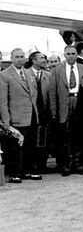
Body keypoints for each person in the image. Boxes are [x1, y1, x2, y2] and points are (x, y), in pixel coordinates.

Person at [49, 45, 83, 177]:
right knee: (64, 136)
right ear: (64, 55)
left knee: (79, 134)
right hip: (64, 105)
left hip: (80, 103)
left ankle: (78, 164)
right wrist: (54, 110)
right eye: (68, 54)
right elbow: (52, 92)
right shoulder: (57, 70)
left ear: (77, 54)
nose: (71, 56)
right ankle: (66, 165)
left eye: (73, 53)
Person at [0, 48, 40, 183]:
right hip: (15, 118)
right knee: (14, 148)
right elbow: (3, 100)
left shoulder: (29, 73)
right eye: (17, 56)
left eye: (22, 56)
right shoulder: (5, 75)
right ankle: (14, 173)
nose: (20, 59)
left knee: (30, 145)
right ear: (11, 58)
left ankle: (28, 171)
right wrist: (6, 121)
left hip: (31, 115)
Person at [26, 51, 52, 174]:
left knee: (44, 139)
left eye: (45, 58)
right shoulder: (26, 74)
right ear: (33, 60)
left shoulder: (49, 75)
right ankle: (30, 165)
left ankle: (42, 165)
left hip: (44, 113)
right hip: (30, 113)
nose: (44, 60)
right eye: (41, 58)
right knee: (31, 140)